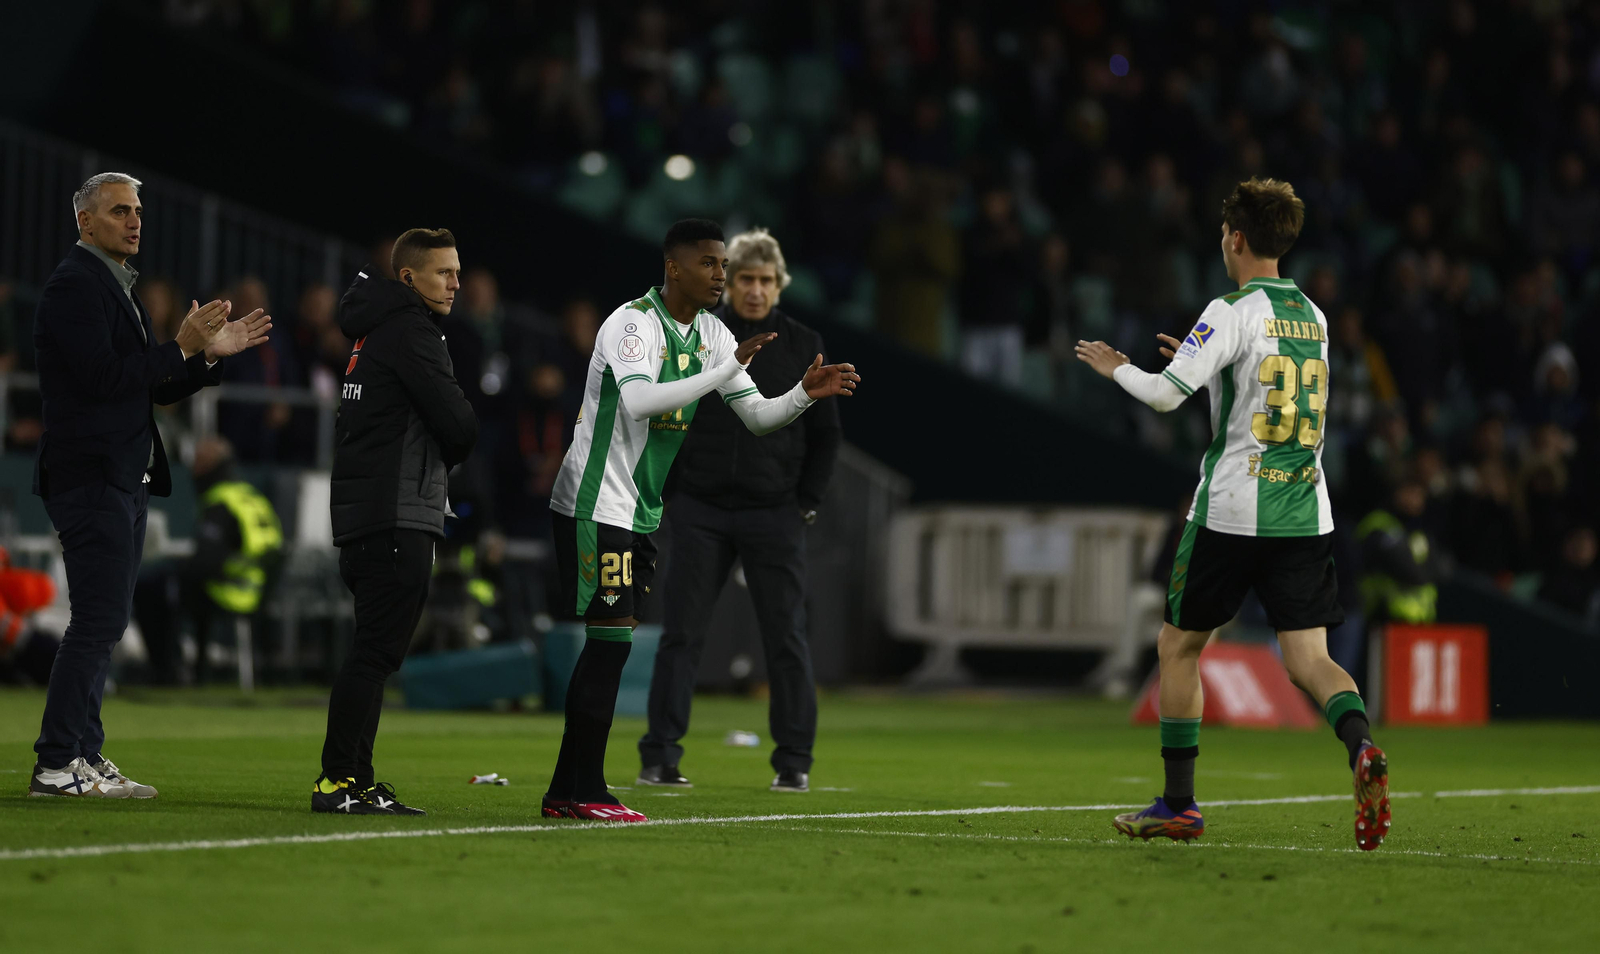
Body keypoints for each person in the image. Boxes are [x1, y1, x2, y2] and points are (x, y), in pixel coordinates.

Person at [1076, 178, 1390, 851]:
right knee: (1310, 658)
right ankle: (1360, 745)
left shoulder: (1229, 308)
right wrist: (1207, 366)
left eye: (1224, 233)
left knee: (1178, 646)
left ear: (1236, 238)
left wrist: (1117, 369)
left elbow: (1163, 398)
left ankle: (1180, 804)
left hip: (1232, 510)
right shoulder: (1314, 314)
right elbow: (1260, 385)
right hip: (1305, 509)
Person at [543, 218, 859, 822]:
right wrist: (721, 369)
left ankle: (576, 787)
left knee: (614, 645)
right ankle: (579, 788)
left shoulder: (712, 333)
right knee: (609, 646)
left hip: (638, 509)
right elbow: (638, 400)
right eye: (710, 264)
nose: (720, 275)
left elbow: (760, 417)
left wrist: (803, 394)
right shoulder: (632, 324)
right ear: (673, 267)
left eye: (723, 265)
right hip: (594, 499)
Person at [29, 172, 271, 799]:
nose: (134, 221)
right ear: (85, 221)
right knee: (98, 621)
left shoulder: (116, 286)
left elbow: (152, 386)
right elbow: (105, 379)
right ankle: (57, 762)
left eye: (137, 210)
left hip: (123, 476)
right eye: (119, 211)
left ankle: (84, 751)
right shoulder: (73, 286)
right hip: (91, 475)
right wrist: (179, 346)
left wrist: (205, 355)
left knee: (105, 621)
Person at [638, 228, 842, 793]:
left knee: (787, 638)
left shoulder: (804, 342)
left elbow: (826, 435)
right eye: (745, 278)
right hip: (700, 508)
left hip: (774, 511)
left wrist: (805, 502)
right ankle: (659, 757)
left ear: (780, 285)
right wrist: (674, 493)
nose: (754, 289)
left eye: (765, 280)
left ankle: (794, 761)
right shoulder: (701, 336)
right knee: (681, 634)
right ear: (729, 282)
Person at [312, 228, 477, 815]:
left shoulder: (371, 333)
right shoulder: (413, 333)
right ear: (408, 278)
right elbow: (459, 425)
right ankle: (339, 779)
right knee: (376, 654)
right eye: (443, 273)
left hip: (363, 516)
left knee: (372, 652)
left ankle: (354, 778)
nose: (456, 283)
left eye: (457, 272)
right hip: (398, 515)